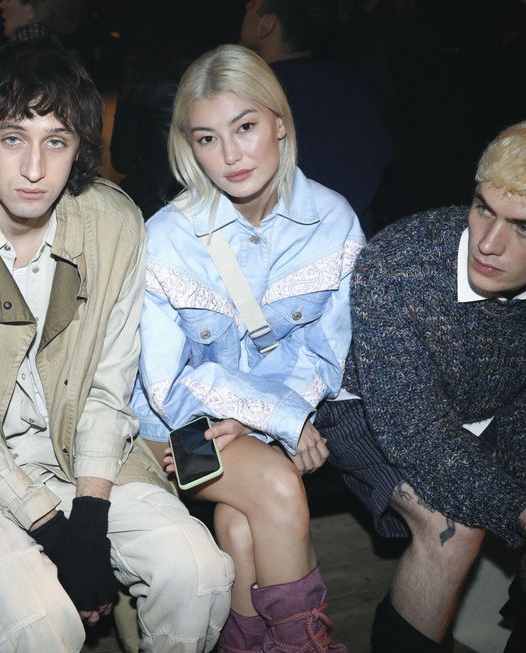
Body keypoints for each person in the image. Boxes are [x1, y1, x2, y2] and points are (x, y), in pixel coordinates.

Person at [0, 40, 234, 653]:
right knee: (41, 624)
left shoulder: (114, 224)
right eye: (13, 138)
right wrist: (53, 531)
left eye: (56, 141)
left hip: (89, 454)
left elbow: (109, 384)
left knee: (198, 572)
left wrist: (88, 517)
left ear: (78, 148)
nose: (34, 168)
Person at [132, 44, 364, 653]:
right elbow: (166, 385)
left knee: (239, 527)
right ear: (189, 147)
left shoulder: (333, 222)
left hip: (272, 419)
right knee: (279, 488)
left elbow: (330, 356)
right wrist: (272, 416)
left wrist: (264, 417)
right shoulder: (167, 238)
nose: (230, 155)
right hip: (173, 427)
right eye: (207, 139)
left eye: (245, 127)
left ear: (279, 124)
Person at [321, 114, 526, 653]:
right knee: (454, 532)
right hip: (370, 406)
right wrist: (523, 511)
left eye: (525, 228)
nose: (488, 243)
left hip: (491, 410)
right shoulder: (400, 263)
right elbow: (413, 426)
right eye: (484, 207)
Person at [239, 0, 391, 235]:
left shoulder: (247, 98)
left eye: (253, 5)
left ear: (267, 25)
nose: (246, 5)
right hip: (358, 242)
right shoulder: (356, 88)